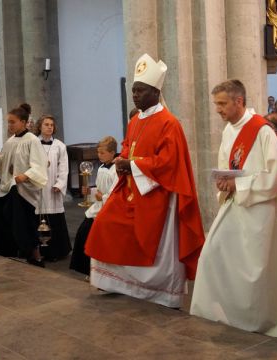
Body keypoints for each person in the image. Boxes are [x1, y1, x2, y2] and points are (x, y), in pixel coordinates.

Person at [85, 53, 205, 308]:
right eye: (133, 90)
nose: (135, 95)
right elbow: (129, 146)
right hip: (131, 187)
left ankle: (158, 291)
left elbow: (169, 162)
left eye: (139, 91)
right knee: (104, 223)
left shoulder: (169, 123)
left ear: (154, 91)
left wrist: (134, 165)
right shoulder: (135, 121)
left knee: (151, 238)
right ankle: (117, 282)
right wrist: (122, 162)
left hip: (157, 191)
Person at [190, 79, 277, 339]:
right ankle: (226, 314)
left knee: (257, 271)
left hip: (260, 211)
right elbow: (225, 166)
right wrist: (223, 183)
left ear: (239, 101)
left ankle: (258, 319)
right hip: (235, 205)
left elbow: (276, 177)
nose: (218, 109)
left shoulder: (262, 131)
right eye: (216, 104)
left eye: (222, 104)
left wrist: (237, 184)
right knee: (211, 256)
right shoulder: (229, 130)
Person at [0, 104, 48, 267]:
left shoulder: (32, 141)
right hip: (9, 187)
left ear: (23, 122)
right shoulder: (10, 142)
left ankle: (36, 256)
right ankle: (8, 251)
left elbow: (39, 165)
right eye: (8, 122)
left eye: (12, 122)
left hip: (24, 190)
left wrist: (25, 175)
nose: (10, 125)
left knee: (25, 223)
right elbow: (4, 164)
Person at [70, 136, 118, 276]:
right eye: (98, 152)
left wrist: (102, 197)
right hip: (97, 208)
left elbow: (115, 192)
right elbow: (99, 187)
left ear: (112, 152)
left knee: (89, 236)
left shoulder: (116, 170)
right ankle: (88, 270)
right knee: (82, 235)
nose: (99, 155)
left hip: (107, 210)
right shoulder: (103, 167)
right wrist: (89, 192)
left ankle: (97, 272)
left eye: (102, 153)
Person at [34, 115, 71, 262]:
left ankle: (57, 251)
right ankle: (38, 251)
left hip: (53, 188)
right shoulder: (33, 143)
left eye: (51, 125)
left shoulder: (60, 146)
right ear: (40, 127)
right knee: (38, 217)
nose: (49, 127)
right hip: (37, 188)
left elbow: (64, 168)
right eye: (46, 124)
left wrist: (59, 184)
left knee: (55, 219)